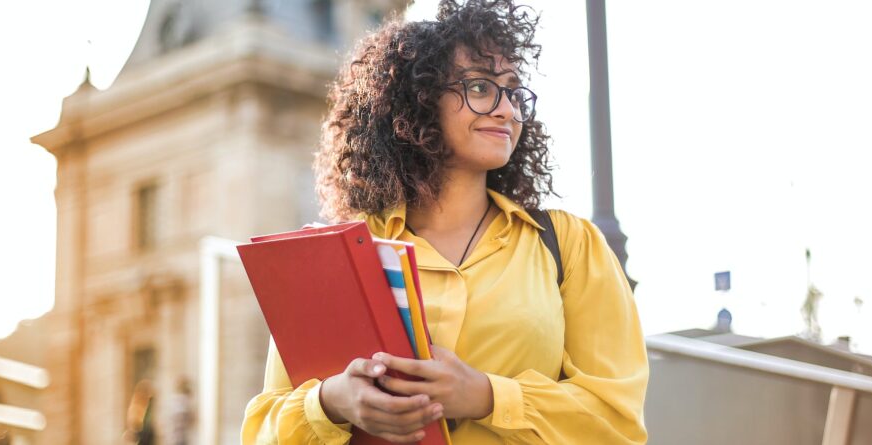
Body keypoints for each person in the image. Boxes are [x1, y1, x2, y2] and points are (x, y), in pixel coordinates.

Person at [242, 1, 648, 443]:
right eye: (480, 87)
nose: (507, 110)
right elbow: (262, 428)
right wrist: (331, 402)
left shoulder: (569, 245)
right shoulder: (336, 255)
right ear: (419, 98)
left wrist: (487, 397)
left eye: (513, 91)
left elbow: (618, 422)